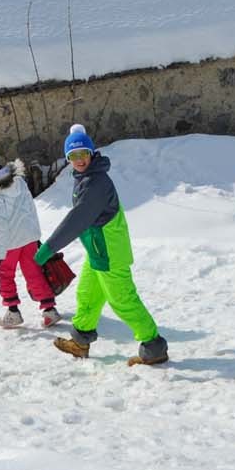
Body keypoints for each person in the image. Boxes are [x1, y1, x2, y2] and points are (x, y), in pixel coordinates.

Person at [35, 125, 169, 366]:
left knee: (122, 300)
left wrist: (46, 251)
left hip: (109, 252)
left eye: (83, 154)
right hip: (97, 250)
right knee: (87, 294)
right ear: (68, 158)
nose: (79, 160)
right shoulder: (86, 177)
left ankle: (154, 346)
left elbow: (75, 221)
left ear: (92, 153)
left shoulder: (95, 183)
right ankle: (80, 342)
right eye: (73, 156)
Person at [0, 139, 57, 329]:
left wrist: (0, 253)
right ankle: (49, 309)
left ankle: (13, 312)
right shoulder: (18, 180)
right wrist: (35, 234)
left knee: (5, 274)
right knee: (34, 272)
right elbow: (30, 208)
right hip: (29, 236)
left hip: (10, 241)